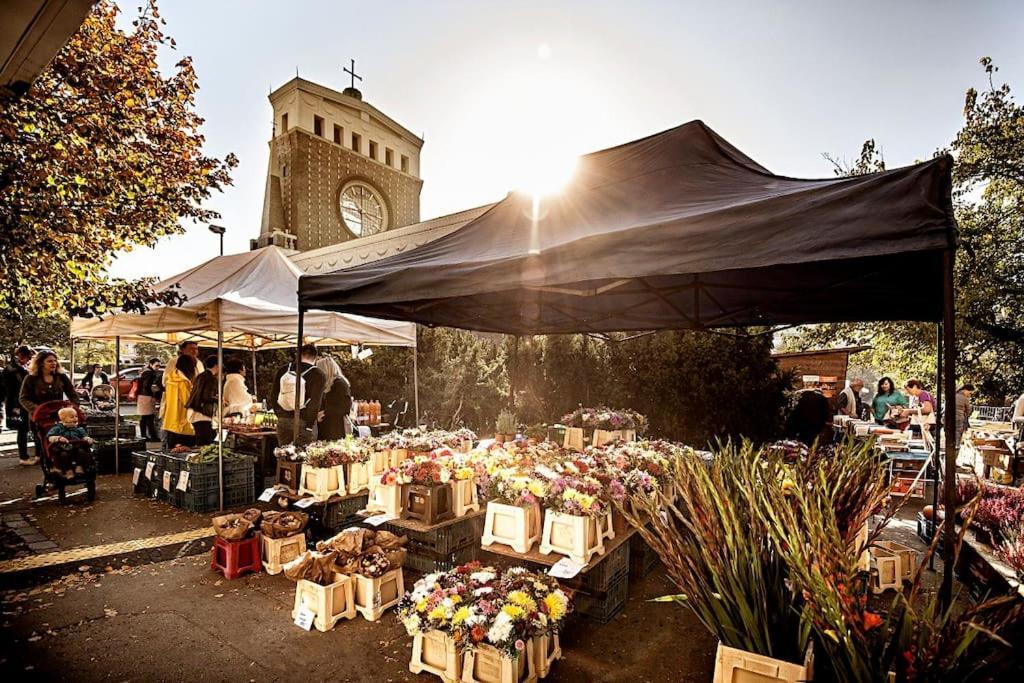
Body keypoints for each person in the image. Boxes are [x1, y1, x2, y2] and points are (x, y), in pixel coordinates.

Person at [270, 344, 326, 447]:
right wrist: (309, 426)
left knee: (283, 455)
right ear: (316, 358)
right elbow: (315, 402)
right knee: (304, 457)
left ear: (298, 355)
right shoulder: (318, 374)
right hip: (304, 422)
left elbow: (273, 396)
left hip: (283, 420)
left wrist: (280, 415)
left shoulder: (283, 370)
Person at [2, 346, 37, 465]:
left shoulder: (18, 368)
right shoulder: (12, 370)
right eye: (28, 357)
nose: (29, 360)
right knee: (22, 430)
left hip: (21, 403)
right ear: (22, 356)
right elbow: (9, 390)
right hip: (17, 404)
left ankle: (32, 455)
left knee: (29, 428)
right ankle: (24, 457)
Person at [46, 406, 94, 479]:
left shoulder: (79, 429)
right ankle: (68, 470)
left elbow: (84, 436)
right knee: (64, 455)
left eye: (76, 416)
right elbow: (50, 437)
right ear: (63, 419)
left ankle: (79, 467)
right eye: (72, 417)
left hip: (77, 447)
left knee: (82, 452)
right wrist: (58, 438)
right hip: (63, 448)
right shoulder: (57, 428)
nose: (75, 418)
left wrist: (87, 439)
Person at [162, 353, 197, 449]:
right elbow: (188, 402)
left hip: (170, 422)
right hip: (182, 424)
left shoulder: (170, 380)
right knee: (184, 452)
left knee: (172, 453)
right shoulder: (183, 383)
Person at [316, 352, 352, 440]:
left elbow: (344, 407)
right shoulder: (330, 384)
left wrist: (324, 413)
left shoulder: (339, 384)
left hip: (336, 428)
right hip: (329, 427)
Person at [187, 355, 220, 446]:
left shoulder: (200, 376)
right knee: (204, 445)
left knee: (200, 442)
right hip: (202, 414)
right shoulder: (211, 378)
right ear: (216, 365)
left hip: (194, 412)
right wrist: (219, 399)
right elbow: (207, 396)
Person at [136, 358, 163, 441]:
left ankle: (145, 435)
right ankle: (151, 436)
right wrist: (153, 395)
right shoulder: (149, 373)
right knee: (148, 417)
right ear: (151, 364)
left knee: (145, 417)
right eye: (156, 365)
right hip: (146, 396)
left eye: (159, 366)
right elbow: (147, 385)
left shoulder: (145, 371)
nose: (158, 367)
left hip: (143, 396)